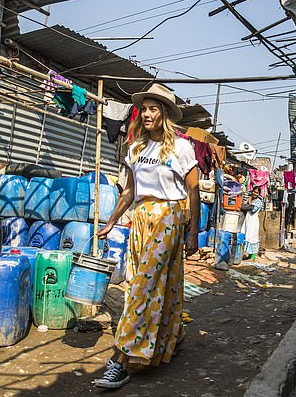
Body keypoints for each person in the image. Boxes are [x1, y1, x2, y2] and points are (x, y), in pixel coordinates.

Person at [94, 84, 200, 389]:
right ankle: (171, 337)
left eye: (155, 108)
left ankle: (120, 361)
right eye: (146, 109)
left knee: (144, 286)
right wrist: (112, 220)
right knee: (152, 284)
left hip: (169, 217)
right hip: (140, 219)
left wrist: (193, 232)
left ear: (165, 114)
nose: (149, 114)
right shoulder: (136, 147)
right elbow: (129, 190)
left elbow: (193, 189)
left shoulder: (181, 147)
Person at [241, 186, 264, 261]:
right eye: (253, 191)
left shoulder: (258, 201)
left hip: (253, 222)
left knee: (252, 237)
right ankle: (246, 254)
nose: (254, 193)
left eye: (256, 192)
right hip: (247, 220)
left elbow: (253, 210)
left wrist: (249, 202)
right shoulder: (251, 199)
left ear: (259, 194)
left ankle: (253, 256)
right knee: (246, 235)